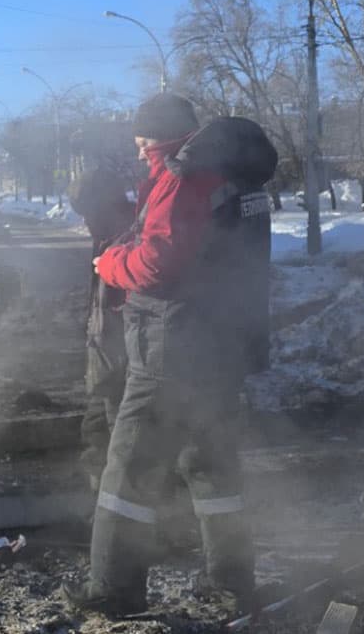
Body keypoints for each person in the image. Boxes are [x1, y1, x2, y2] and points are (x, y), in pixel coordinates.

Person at [64, 92, 277, 617]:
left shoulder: (183, 178)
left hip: (171, 350)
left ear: (160, 137)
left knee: (129, 470)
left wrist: (112, 264)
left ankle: (112, 592)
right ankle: (231, 584)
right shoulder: (238, 179)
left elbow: (159, 263)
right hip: (222, 347)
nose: (139, 154)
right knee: (213, 467)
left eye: (141, 142)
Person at [66, 169, 134, 490]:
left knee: (120, 448)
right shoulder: (105, 239)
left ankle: (122, 524)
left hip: (123, 371)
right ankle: (101, 514)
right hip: (104, 365)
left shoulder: (130, 242)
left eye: (89, 214)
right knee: (96, 435)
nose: (85, 223)